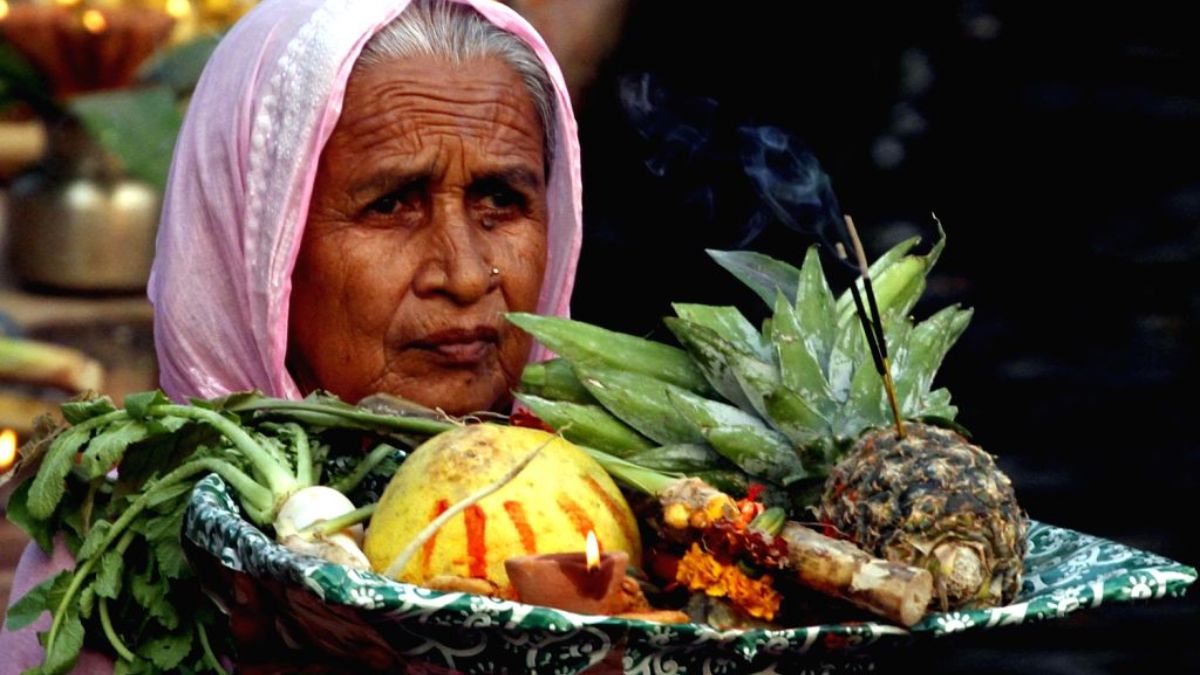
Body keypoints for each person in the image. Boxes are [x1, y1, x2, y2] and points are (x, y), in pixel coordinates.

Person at [0, 0, 581, 671]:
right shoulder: (118, 577)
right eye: (391, 204)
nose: (467, 274)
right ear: (257, 250)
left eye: (502, 200)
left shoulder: (618, 540)